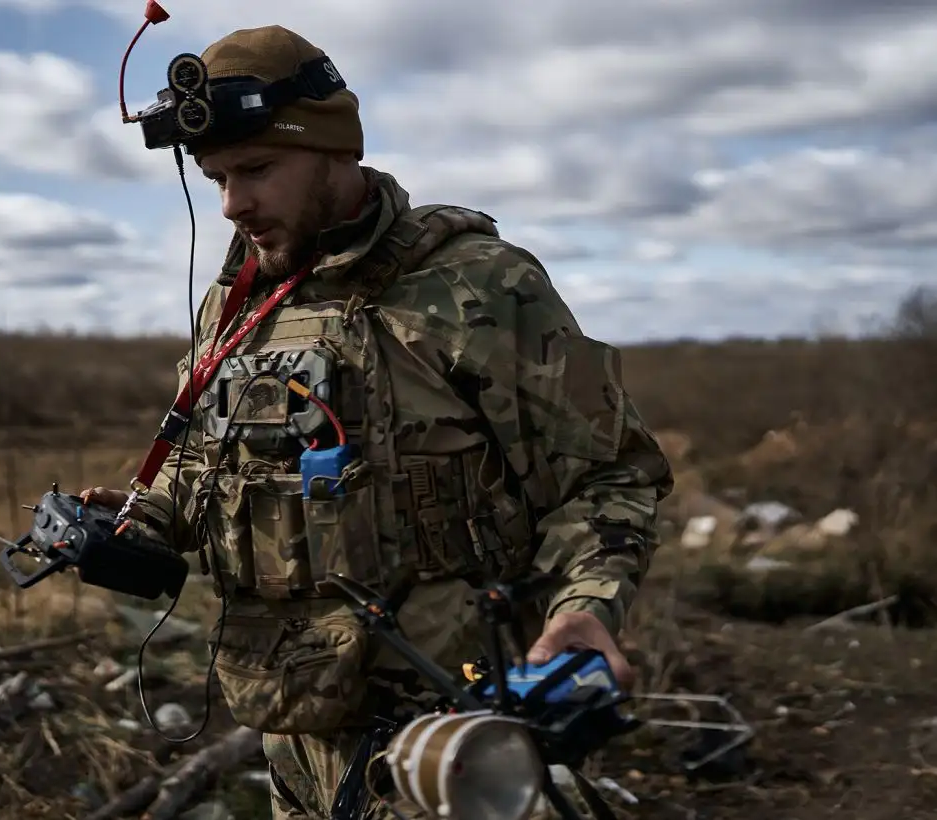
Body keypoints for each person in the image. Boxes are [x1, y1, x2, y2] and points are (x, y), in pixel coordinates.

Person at [83, 23, 674, 820]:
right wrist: (142, 522)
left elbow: (609, 475)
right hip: (293, 734)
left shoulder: (474, 287)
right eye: (215, 177)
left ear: (336, 150)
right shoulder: (237, 303)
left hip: (453, 745)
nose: (233, 204)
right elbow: (206, 470)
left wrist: (583, 610)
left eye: (256, 170)